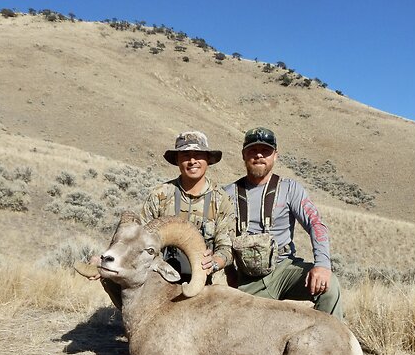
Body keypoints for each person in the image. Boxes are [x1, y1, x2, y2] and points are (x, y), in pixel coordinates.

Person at [82, 131, 236, 305]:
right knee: (110, 274)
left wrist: (214, 262)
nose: (192, 161)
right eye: (186, 155)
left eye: (198, 155)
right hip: (160, 275)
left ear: (207, 159)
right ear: (177, 160)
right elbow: (137, 238)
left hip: (201, 278)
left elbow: (226, 247)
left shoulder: (221, 199)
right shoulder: (160, 195)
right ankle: (133, 322)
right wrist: (105, 259)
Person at [223, 126, 345, 319]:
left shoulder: (290, 189)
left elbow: (315, 224)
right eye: (253, 151)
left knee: (329, 288)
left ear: (275, 156)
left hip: (285, 268)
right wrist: (229, 272)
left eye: (265, 151)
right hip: (248, 279)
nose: (259, 156)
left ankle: (333, 345)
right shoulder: (227, 194)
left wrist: (322, 265)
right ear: (244, 155)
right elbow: (220, 238)